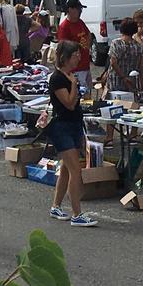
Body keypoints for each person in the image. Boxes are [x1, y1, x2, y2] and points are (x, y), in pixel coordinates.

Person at [46, 40, 98, 226]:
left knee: (67, 169)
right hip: (62, 127)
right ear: (65, 57)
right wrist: (74, 85)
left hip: (74, 125)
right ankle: (77, 214)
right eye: (75, 55)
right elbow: (68, 103)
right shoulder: (58, 78)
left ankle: (56, 206)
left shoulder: (69, 75)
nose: (78, 57)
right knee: (76, 170)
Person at [104, 17, 143, 147]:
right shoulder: (137, 46)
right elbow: (140, 64)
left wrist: (122, 76)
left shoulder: (116, 43)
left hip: (116, 80)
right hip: (131, 80)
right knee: (132, 108)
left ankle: (109, 138)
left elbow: (113, 62)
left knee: (112, 108)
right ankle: (133, 135)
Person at [57, 0, 92, 93]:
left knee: (88, 92)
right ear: (70, 10)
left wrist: (88, 45)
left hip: (85, 65)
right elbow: (63, 47)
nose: (80, 12)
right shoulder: (64, 27)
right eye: (78, 9)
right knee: (81, 93)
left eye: (80, 9)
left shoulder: (80, 22)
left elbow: (88, 34)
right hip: (76, 68)